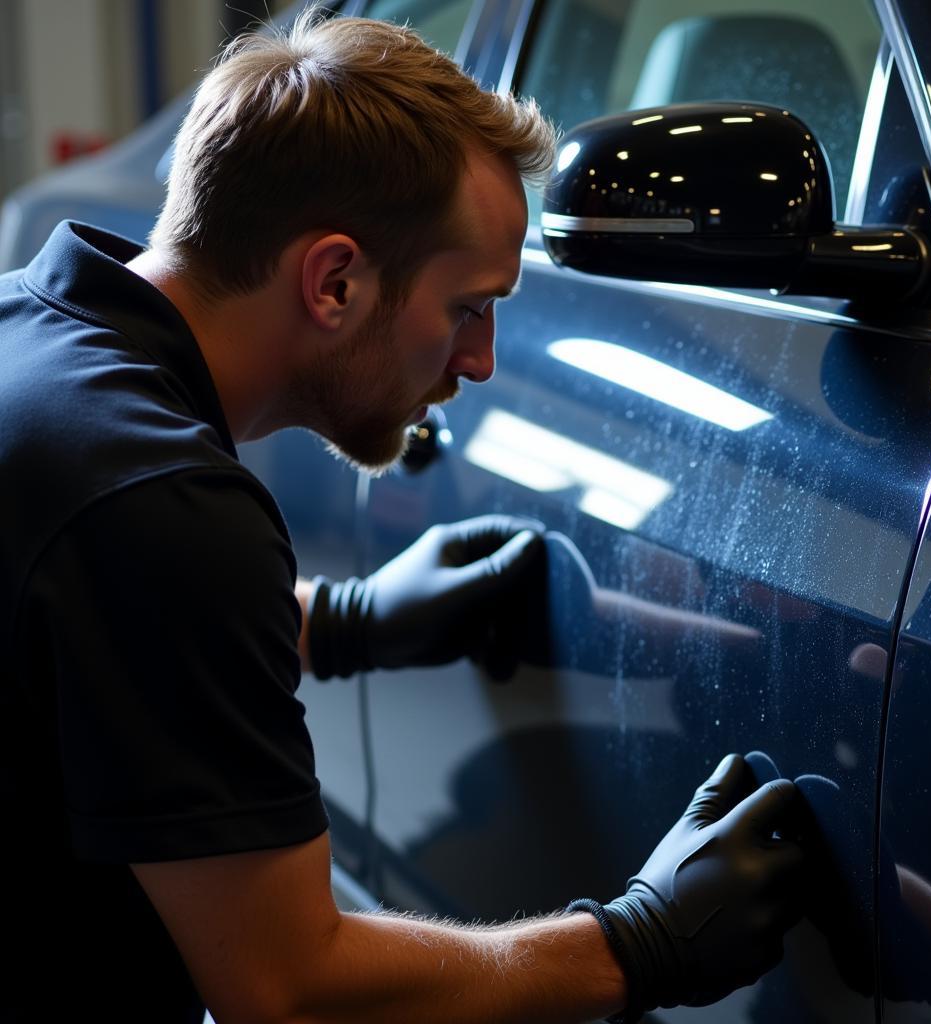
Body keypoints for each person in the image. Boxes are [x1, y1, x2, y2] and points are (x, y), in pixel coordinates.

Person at [0, 9, 805, 1022]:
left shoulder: (30, 331)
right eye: (467, 308)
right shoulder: (163, 504)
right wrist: (635, 944)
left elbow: (91, 633)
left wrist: (338, 619)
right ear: (334, 281)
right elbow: (286, 987)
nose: (481, 362)